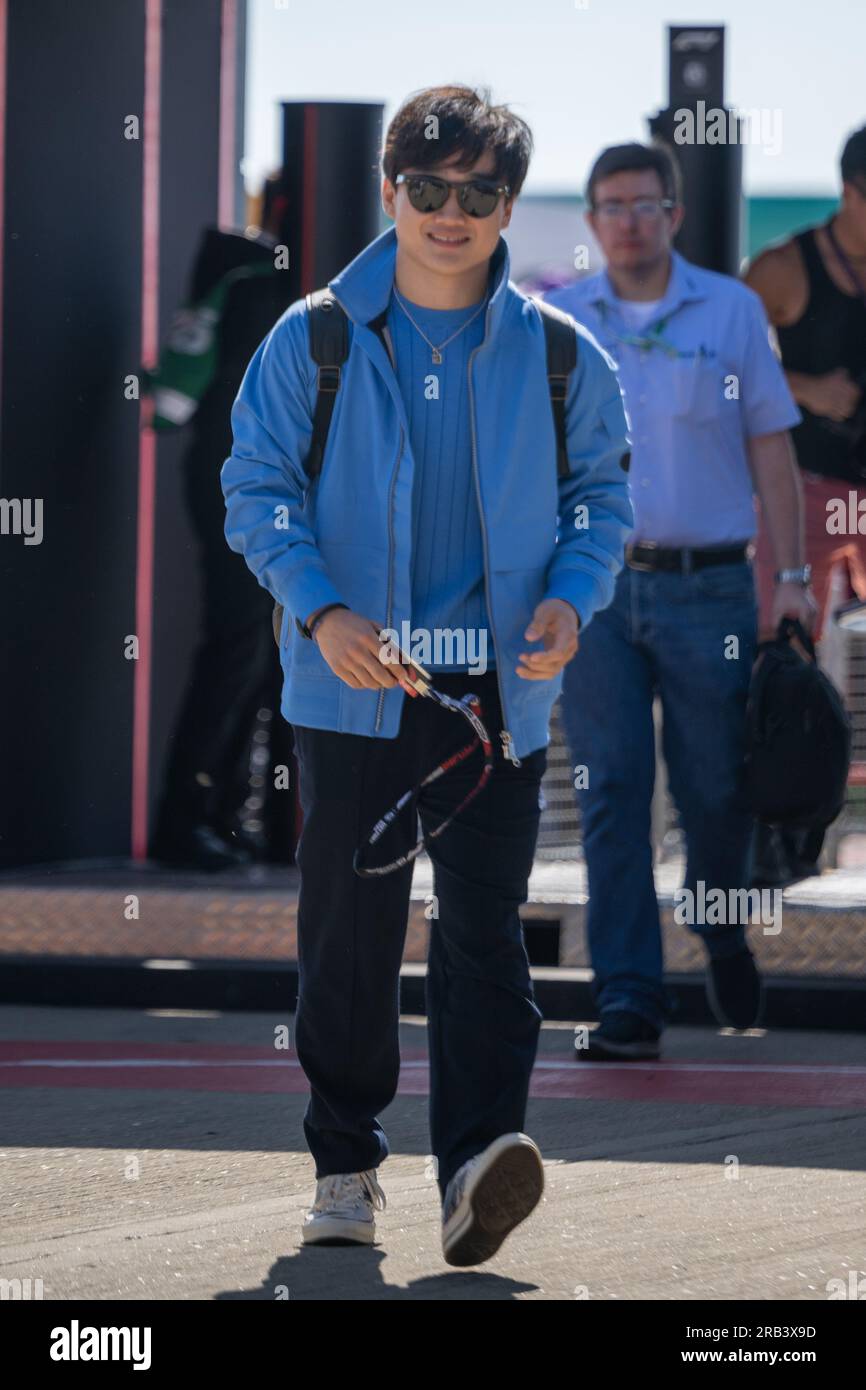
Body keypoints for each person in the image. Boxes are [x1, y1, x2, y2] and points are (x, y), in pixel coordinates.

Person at [221, 85, 632, 1264]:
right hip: (349, 689)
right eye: (428, 187)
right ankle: (344, 1166)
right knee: (348, 936)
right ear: (388, 190)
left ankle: (475, 1167)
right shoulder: (313, 336)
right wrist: (323, 608)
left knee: (483, 938)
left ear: (506, 206)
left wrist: (569, 594)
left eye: (479, 193)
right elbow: (254, 491)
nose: (451, 213)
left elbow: (601, 501)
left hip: (495, 700)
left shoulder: (560, 356)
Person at [546, 142, 811, 1061]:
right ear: (590, 221)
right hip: (598, 592)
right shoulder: (560, 319)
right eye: (610, 205)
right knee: (613, 791)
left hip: (712, 588)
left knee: (715, 791)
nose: (627, 220)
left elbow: (771, 447)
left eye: (644, 204)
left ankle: (723, 928)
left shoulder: (731, 310)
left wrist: (793, 578)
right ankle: (629, 1001)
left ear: (675, 214)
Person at [150, 177, 296, 871]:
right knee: (243, 649)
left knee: (262, 653)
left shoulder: (246, 276)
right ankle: (191, 822)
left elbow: (168, 401)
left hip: (252, 491)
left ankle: (230, 822)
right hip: (238, 493)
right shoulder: (243, 275)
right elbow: (168, 402)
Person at [744, 125, 866, 641]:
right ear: (849, 192)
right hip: (806, 490)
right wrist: (805, 388)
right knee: (779, 642)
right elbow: (721, 363)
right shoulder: (784, 266)